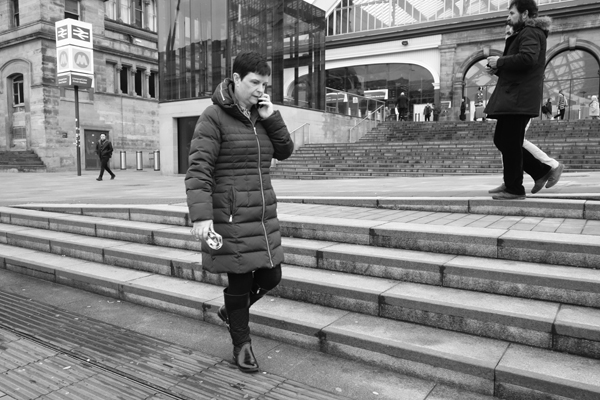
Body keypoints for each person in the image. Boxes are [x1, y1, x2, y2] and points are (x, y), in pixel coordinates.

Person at [185, 51, 293, 373]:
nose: (261, 89)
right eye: (254, 82)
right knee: (240, 280)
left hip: (261, 215)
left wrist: (272, 116)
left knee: (272, 274)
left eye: (265, 84)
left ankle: (232, 312)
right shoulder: (213, 117)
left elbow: (285, 150)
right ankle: (241, 346)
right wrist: (202, 216)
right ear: (236, 80)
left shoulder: (262, 116)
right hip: (230, 214)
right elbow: (199, 168)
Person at [484, 0, 560, 200]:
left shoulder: (530, 33)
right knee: (504, 140)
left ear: (525, 14)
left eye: (511, 13)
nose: (508, 17)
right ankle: (533, 174)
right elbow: (522, 67)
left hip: (519, 99)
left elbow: (527, 59)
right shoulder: (526, 33)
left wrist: (499, 61)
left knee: (508, 141)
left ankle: (515, 187)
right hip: (515, 96)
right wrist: (499, 69)